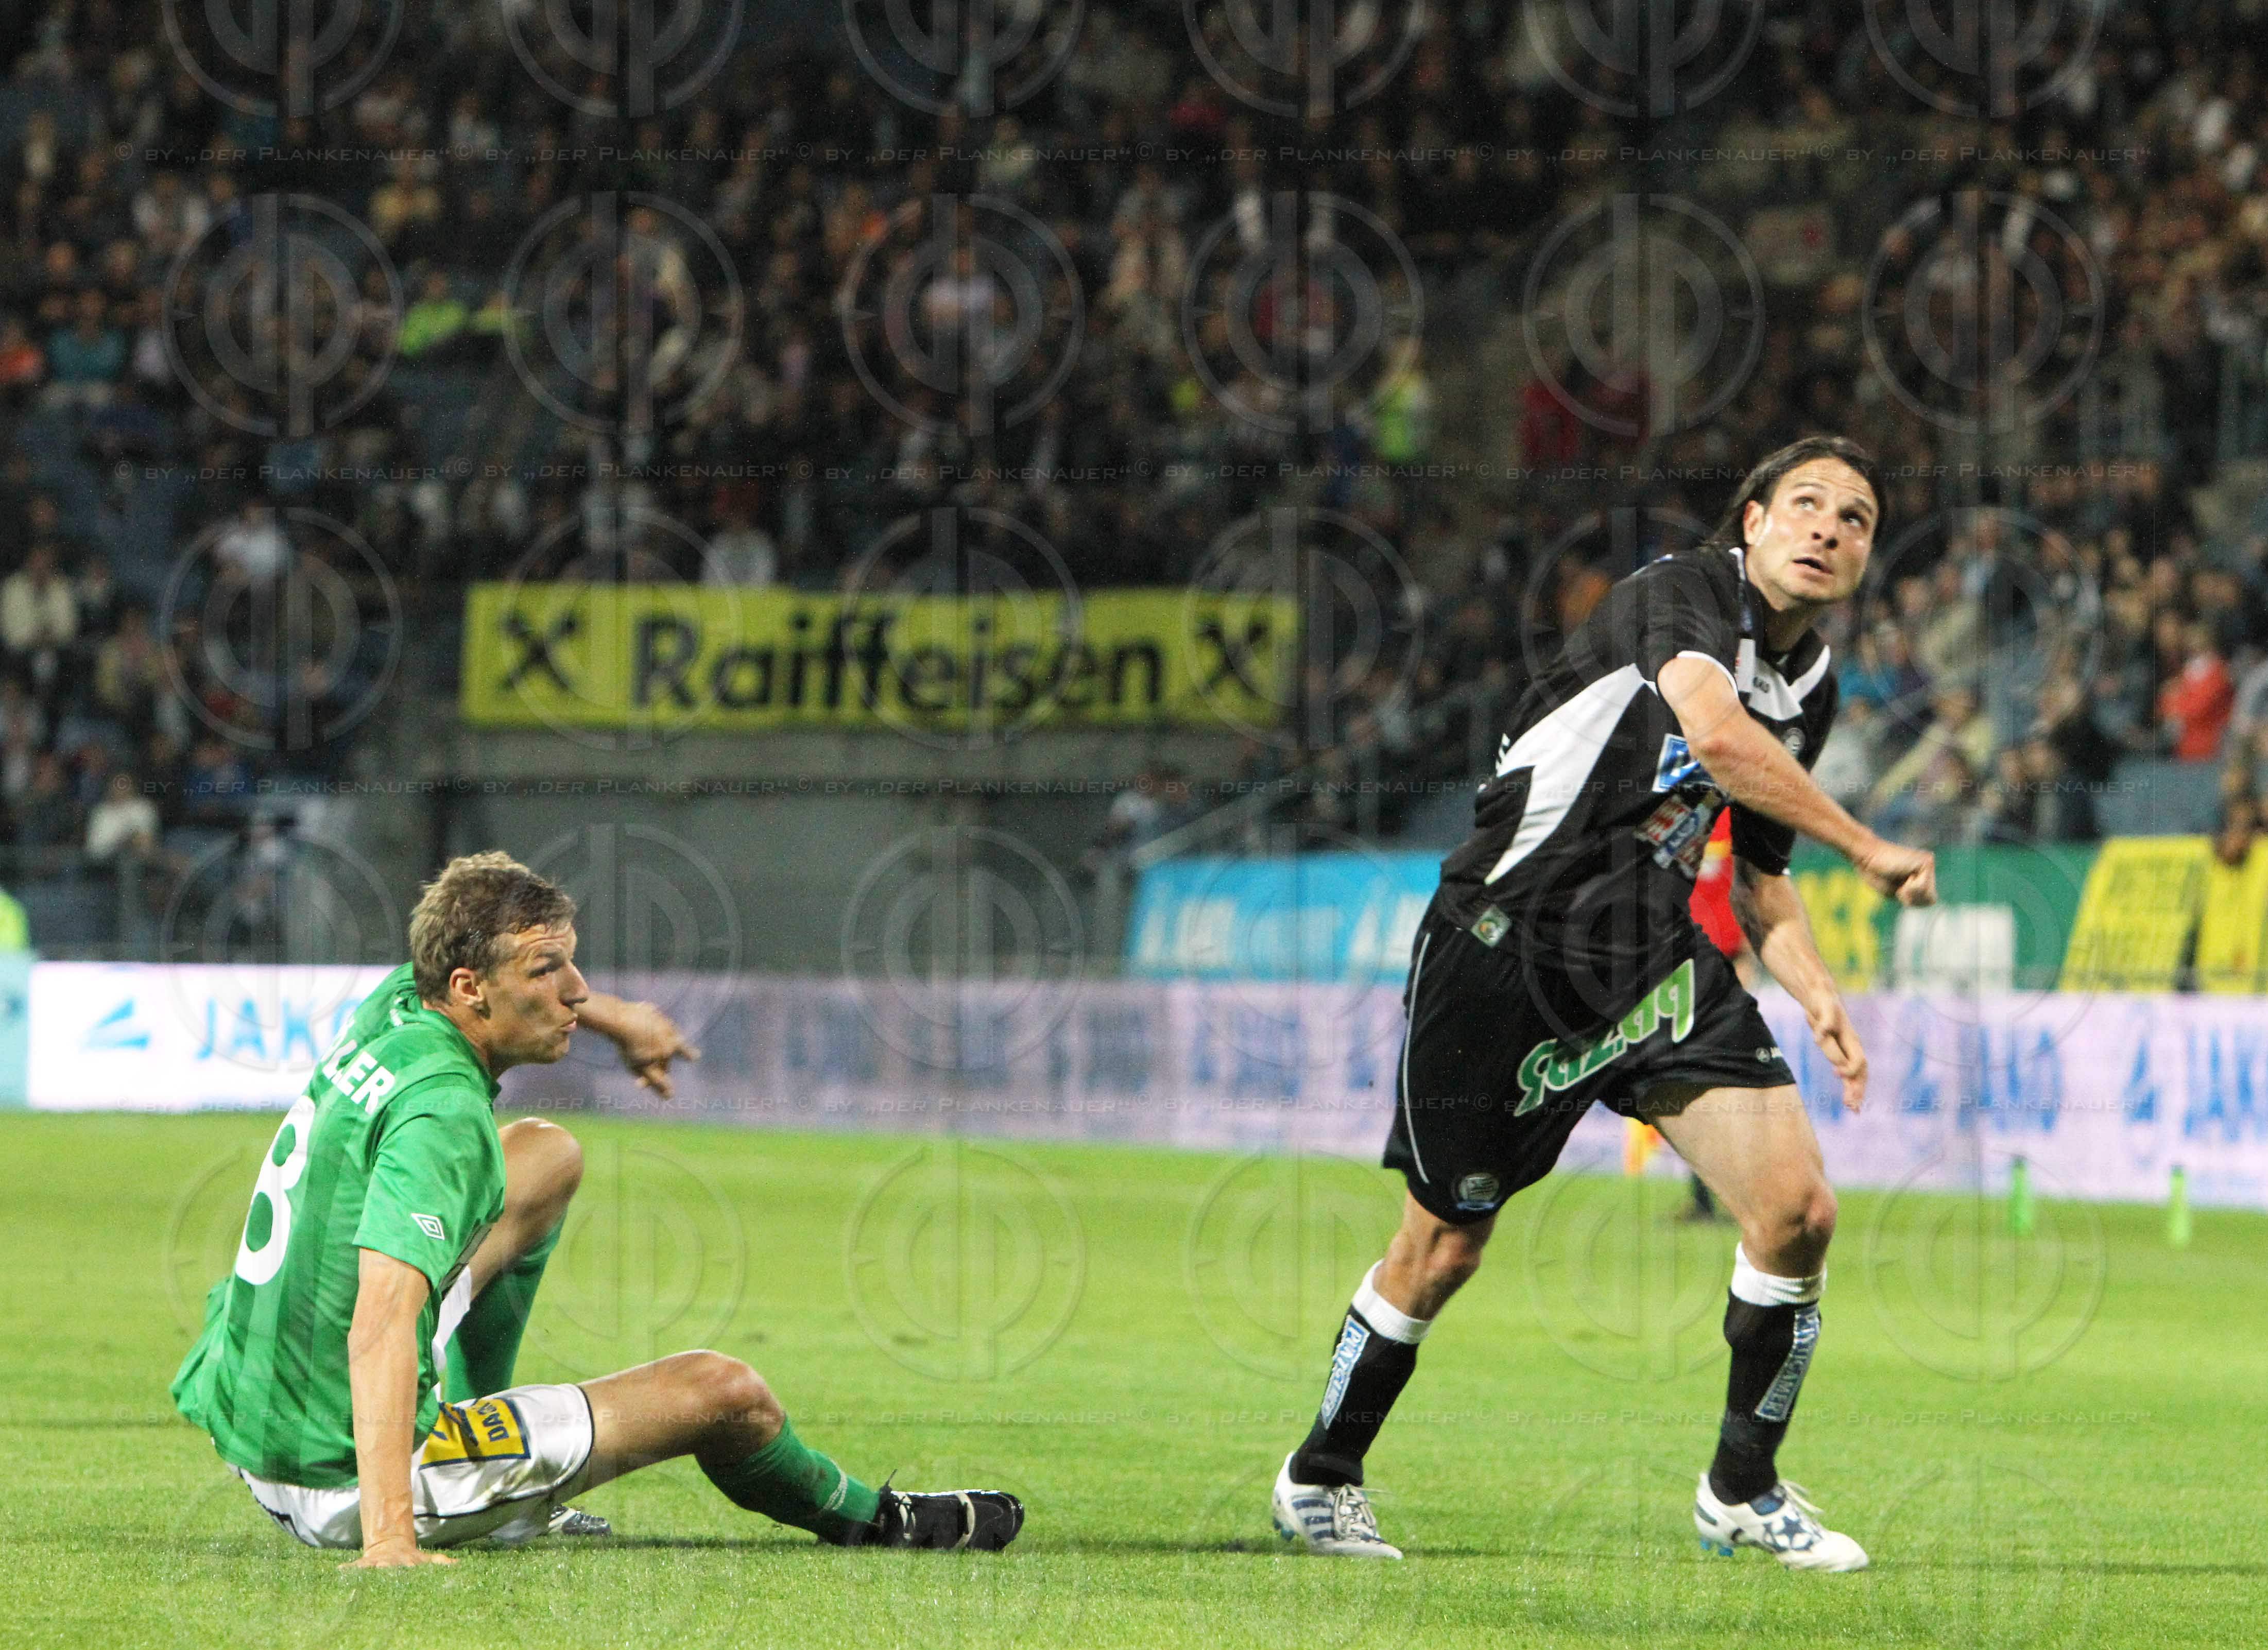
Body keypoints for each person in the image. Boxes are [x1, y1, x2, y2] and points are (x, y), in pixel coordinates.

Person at [1269, 437, 1936, 1571]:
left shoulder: (1809, 685)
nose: (1830, 529)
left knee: (1796, 1212)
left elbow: (1762, 875)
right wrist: (1869, 844)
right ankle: (1320, 1476)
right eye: (1809, 506)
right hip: (1506, 939)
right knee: (1442, 1248)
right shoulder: (1678, 592)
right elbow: (1718, 741)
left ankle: (1742, 1490)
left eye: (1858, 518)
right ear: (1757, 521)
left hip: (1651, 961)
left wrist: (1815, 988)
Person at [171, 851, 1024, 1566]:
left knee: (546, 1157)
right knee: (724, 1392)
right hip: (341, 1477)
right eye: (548, 972)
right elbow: (382, 1320)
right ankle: (875, 1518)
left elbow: (517, 991)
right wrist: (390, 1539)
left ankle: (489, 1450)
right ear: (472, 987)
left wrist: (619, 1022)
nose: (576, 989)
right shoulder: (443, 1117)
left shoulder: (401, 1006)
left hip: (254, 1410)